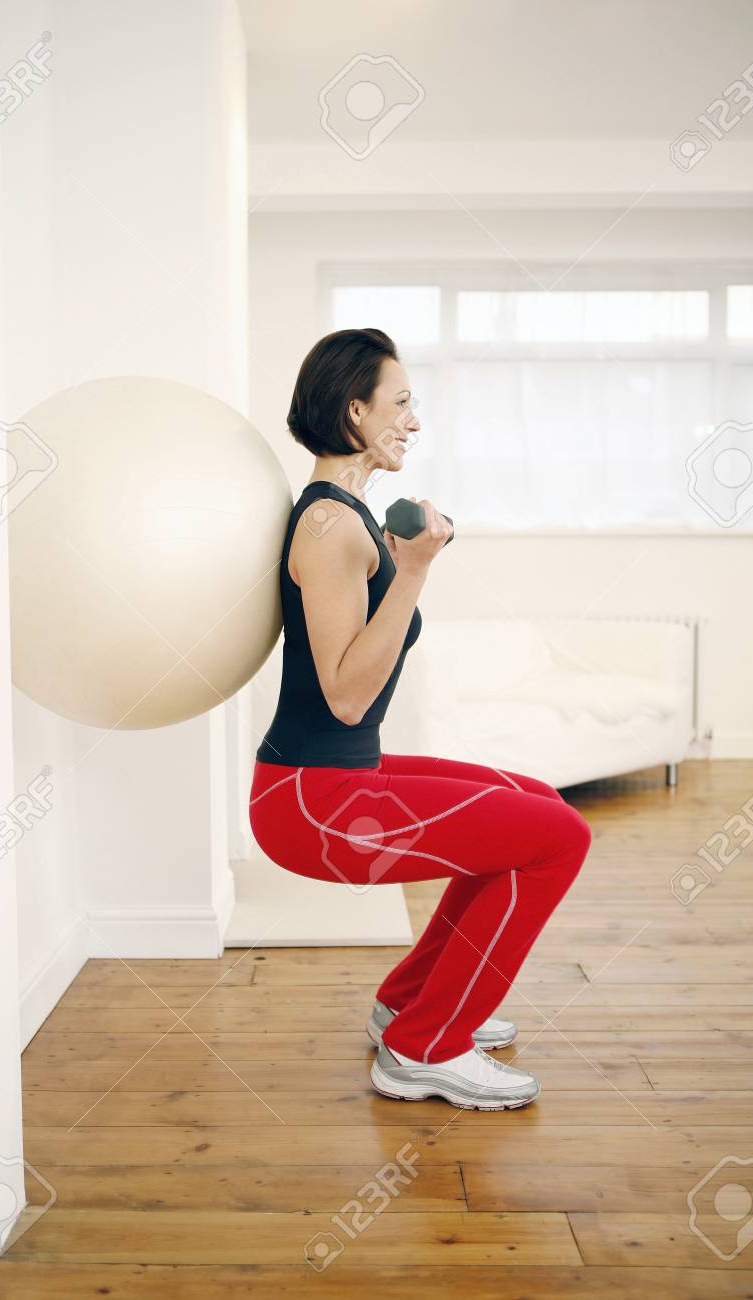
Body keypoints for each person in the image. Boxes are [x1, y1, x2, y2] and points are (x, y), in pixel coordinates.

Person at [248, 328, 592, 1110]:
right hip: (312, 805)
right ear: (353, 409)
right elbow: (346, 697)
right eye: (401, 404)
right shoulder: (330, 527)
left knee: (537, 805)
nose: (414, 421)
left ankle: (409, 1004)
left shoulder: (351, 514)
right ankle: (423, 1049)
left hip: (339, 779)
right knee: (560, 839)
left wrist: (404, 566)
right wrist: (414, 571)